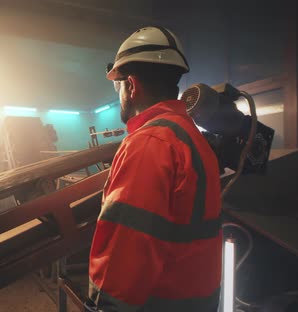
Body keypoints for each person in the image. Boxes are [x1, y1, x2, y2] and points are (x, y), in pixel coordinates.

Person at [86, 26, 223, 311]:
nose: (119, 93)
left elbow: (127, 251)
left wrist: (106, 306)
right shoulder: (193, 138)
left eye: (118, 84)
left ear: (132, 86)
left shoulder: (148, 143)